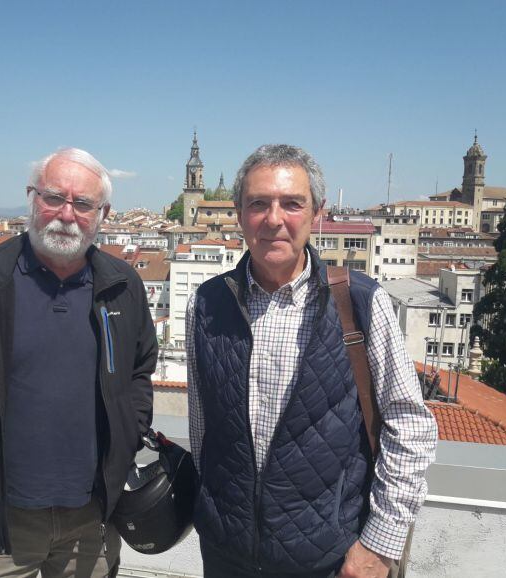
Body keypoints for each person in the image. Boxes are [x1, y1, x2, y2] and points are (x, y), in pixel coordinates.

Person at [186, 144, 438, 578]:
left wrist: (380, 543)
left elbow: (409, 425)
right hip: (226, 554)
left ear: (317, 212)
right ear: (239, 213)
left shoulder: (360, 302)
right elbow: (201, 425)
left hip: (330, 561)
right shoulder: (206, 303)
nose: (274, 219)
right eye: (259, 204)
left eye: (292, 204)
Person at [0, 148, 157, 578]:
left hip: (91, 520)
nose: (66, 213)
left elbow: (139, 372)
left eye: (82, 203)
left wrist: (126, 439)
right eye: (54, 197)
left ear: (103, 213)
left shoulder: (123, 287)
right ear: (31, 197)